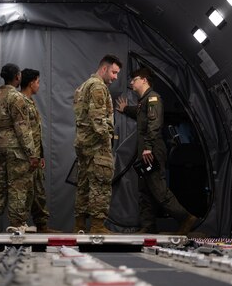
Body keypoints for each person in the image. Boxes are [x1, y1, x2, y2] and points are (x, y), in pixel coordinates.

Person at [116, 67, 198, 234]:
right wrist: (126, 109)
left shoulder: (153, 98)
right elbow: (141, 114)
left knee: (158, 189)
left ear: (144, 80)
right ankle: (148, 226)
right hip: (145, 152)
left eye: (135, 79)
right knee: (144, 190)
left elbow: (154, 123)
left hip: (152, 150)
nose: (132, 82)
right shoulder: (143, 102)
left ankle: (186, 218)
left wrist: (148, 147)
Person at [0, 63, 39, 233]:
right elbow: (22, 128)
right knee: (18, 185)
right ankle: (17, 224)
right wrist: (32, 153)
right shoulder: (17, 98)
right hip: (15, 148)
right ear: (18, 77)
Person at [73, 54, 122, 234]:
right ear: (104, 69)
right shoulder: (98, 87)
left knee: (84, 185)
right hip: (97, 145)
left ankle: (79, 226)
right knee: (100, 183)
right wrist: (107, 140)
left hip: (83, 144)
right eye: (114, 72)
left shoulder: (83, 86)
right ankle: (97, 227)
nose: (116, 77)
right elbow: (98, 119)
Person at [20, 68, 60, 233]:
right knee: (24, 193)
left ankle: (42, 226)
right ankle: (19, 227)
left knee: (38, 192)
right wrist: (30, 155)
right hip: (25, 157)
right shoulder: (20, 102)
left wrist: (41, 154)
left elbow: (36, 132)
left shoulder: (31, 102)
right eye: (37, 81)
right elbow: (22, 132)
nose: (39, 85)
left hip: (35, 156)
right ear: (31, 83)